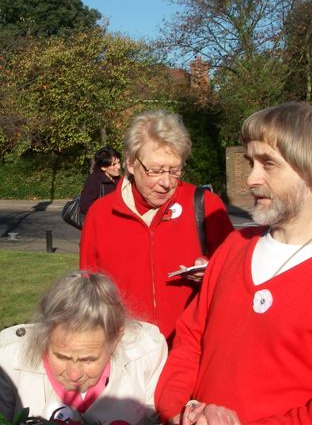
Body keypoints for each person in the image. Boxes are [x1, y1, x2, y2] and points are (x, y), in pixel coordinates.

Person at [155, 102, 312, 424]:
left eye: (268, 164)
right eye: (251, 162)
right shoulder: (234, 247)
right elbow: (190, 339)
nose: (251, 178)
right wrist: (179, 410)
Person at [80, 110, 233, 345]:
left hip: (190, 354)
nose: (166, 182)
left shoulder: (206, 205)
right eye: (156, 170)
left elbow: (237, 277)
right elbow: (89, 292)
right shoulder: (100, 215)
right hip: (126, 355)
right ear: (130, 163)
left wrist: (212, 272)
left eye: (175, 170)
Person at [0, 271, 167, 424]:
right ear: (43, 335)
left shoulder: (147, 354)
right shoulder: (8, 360)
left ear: (116, 337)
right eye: (61, 357)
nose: (74, 374)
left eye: (89, 359)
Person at [79, 146, 122, 215]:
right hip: (101, 223)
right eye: (114, 164)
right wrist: (107, 211)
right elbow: (85, 206)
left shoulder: (119, 179)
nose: (119, 167)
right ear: (103, 167)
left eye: (119, 162)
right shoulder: (94, 180)